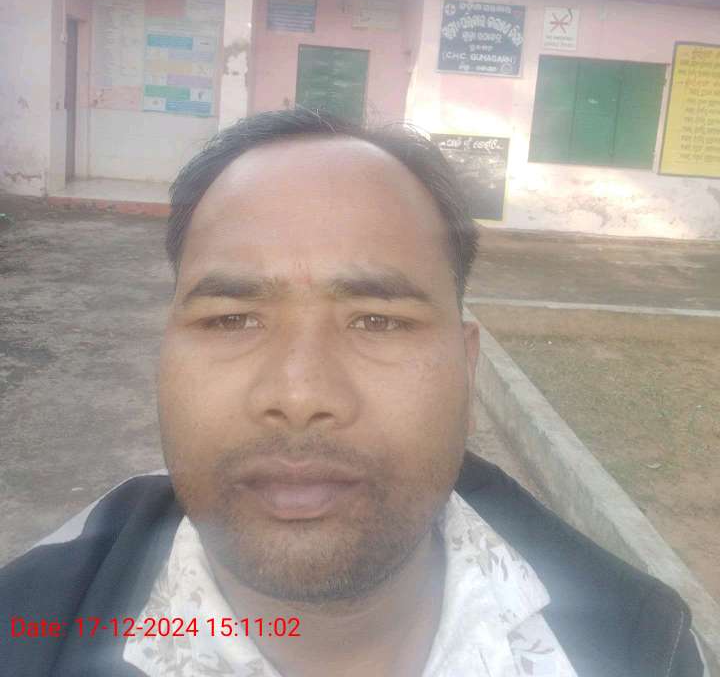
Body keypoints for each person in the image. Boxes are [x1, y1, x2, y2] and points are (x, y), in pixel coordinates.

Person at [0, 108, 705, 677]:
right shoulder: (25, 629)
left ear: (468, 368)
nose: (299, 394)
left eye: (377, 320)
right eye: (231, 319)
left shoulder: (642, 643)